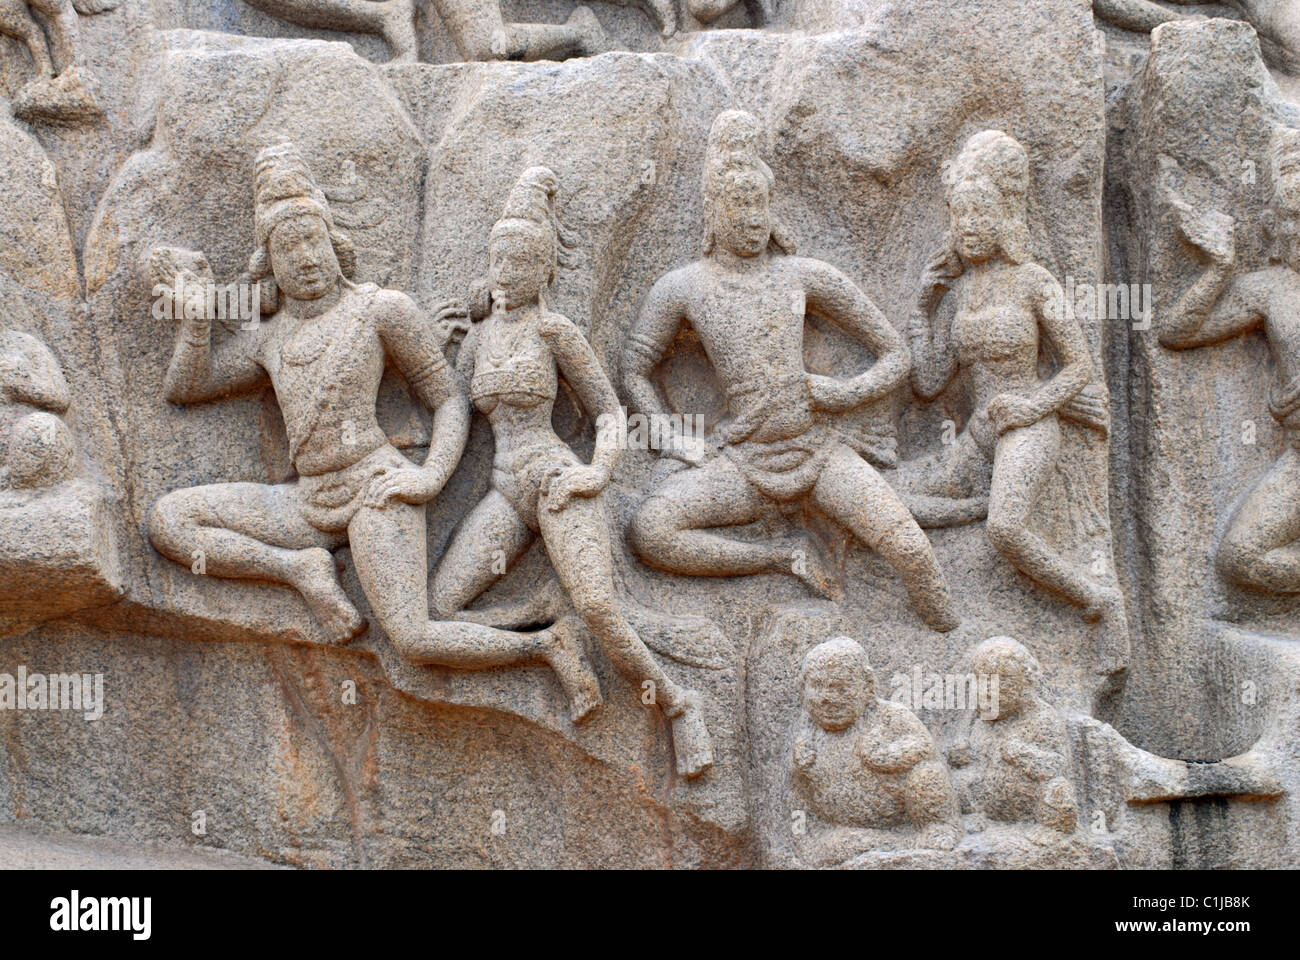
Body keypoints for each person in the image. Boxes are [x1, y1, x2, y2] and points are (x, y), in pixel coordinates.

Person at [624, 110, 960, 633]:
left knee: (911, 549)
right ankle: (783, 556)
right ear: (713, 209)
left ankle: (946, 638)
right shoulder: (683, 286)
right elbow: (635, 368)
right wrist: (672, 437)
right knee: (650, 531)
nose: (753, 217)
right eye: (740, 204)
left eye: (760, 203)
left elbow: (896, 354)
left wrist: (841, 393)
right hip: (743, 460)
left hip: (819, 450)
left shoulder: (802, 276)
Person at [432, 166, 713, 776]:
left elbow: (611, 413)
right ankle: (543, 631)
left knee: (601, 610)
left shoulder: (555, 331)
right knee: (441, 608)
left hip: (556, 479)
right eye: (500, 259)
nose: (510, 271)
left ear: (546, 270)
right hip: (506, 490)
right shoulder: (478, 341)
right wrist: (434, 351)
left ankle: (680, 705)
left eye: (525, 261)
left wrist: (594, 475)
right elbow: (452, 416)